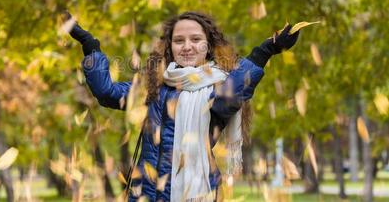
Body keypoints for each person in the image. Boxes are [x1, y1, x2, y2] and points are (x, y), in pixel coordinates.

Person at [68, 11, 299, 201]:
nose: (187, 46)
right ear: (170, 47)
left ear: (208, 46)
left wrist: (264, 52)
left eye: (195, 40)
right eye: (179, 40)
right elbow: (107, 93)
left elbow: (231, 96)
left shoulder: (217, 87)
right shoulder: (153, 88)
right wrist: (90, 47)